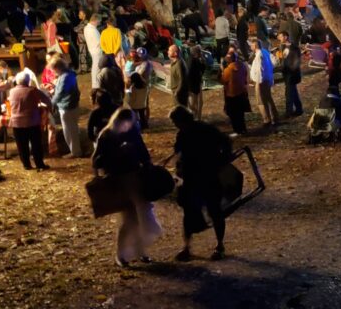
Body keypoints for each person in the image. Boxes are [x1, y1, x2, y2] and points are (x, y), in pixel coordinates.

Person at [92, 109, 162, 267]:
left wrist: (148, 165)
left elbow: (142, 151)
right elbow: (97, 161)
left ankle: (138, 251)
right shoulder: (107, 135)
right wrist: (118, 153)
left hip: (136, 178)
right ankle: (122, 254)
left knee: (140, 218)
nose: (129, 125)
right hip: (119, 181)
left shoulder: (132, 132)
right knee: (129, 219)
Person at [168, 106, 233, 262]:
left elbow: (226, 142)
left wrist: (222, 161)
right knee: (190, 211)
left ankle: (219, 246)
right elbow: (179, 153)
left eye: (176, 122)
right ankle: (187, 247)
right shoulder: (184, 133)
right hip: (193, 177)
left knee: (214, 210)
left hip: (208, 175)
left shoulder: (205, 130)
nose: (175, 125)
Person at [8, 71, 51, 170]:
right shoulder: (33, 90)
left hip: (16, 122)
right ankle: (39, 164)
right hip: (32, 121)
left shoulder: (12, 91)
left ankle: (26, 164)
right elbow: (47, 100)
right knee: (36, 144)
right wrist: (48, 109)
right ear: (28, 81)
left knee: (21, 145)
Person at [51, 57, 84, 157]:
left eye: (53, 69)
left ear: (57, 68)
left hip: (67, 107)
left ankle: (75, 152)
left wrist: (51, 103)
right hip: (71, 105)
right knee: (72, 129)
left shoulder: (65, 77)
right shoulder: (69, 74)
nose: (53, 72)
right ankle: (75, 150)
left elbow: (60, 93)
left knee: (69, 130)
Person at [249, 37, 280, 127]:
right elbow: (274, 62)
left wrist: (258, 81)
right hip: (267, 79)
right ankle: (275, 117)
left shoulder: (259, 56)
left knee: (261, 101)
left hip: (261, 81)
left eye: (251, 45)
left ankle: (267, 120)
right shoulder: (265, 52)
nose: (250, 46)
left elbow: (259, 71)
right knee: (269, 99)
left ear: (255, 46)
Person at [221, 51, 250, 136]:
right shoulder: (242, 66)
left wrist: (222, 70)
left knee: (233, 114)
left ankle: (237, 130)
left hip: (231, 94)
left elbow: (223, 80)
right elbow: (245, 75)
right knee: (240, 114)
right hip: (241, 93)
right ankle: (243, 129)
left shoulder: (228, 70)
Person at [283, 36, 303, 117]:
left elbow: (296, 62)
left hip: (291, 74)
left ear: (285, 37)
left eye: (280, 37)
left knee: (289, 94)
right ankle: (299, 109)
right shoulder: (284, 47)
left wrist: (291, 70)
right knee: (293, 92)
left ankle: (289, 112)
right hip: (288, 73)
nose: (278, 38)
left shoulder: (294, 49)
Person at [84, 14, 103, 89]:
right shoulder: (91, 30)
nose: (99, 23)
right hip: (96, 50)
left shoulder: (87, 28)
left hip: (93, 50)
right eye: (98, 22)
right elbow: (98, 42)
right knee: (96, 67)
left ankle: (96, 83)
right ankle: (95, 84)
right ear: (95, 20)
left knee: (95, 67)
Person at [187, 46, 205, 119]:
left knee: (199, 103)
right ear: (196, 53)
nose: (201, 53)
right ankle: (194, 120)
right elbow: (188, 76)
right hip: (192, 87)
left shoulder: (195, 59)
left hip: (197, 84)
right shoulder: (191, 61)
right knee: (193, 105)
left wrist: (203, 62)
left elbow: (202, 70)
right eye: (200, 52)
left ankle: (198, 119)